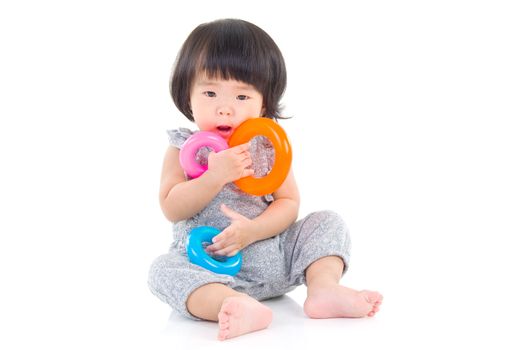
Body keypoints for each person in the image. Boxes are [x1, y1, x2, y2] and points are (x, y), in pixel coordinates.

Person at [148, 18, 383, 341]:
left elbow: (289, 203)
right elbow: (171, 207)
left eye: (242, 97)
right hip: (209, 265)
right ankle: (232, 304)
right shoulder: (181, 149)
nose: (225, 109)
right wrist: (214, 177)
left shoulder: (268, 148)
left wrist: (253, 231)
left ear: (264, 103)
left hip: (277, 257)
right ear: (188, 97)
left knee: (328, 221)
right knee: (162, 270)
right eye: (211, 92)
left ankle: (323, 288)